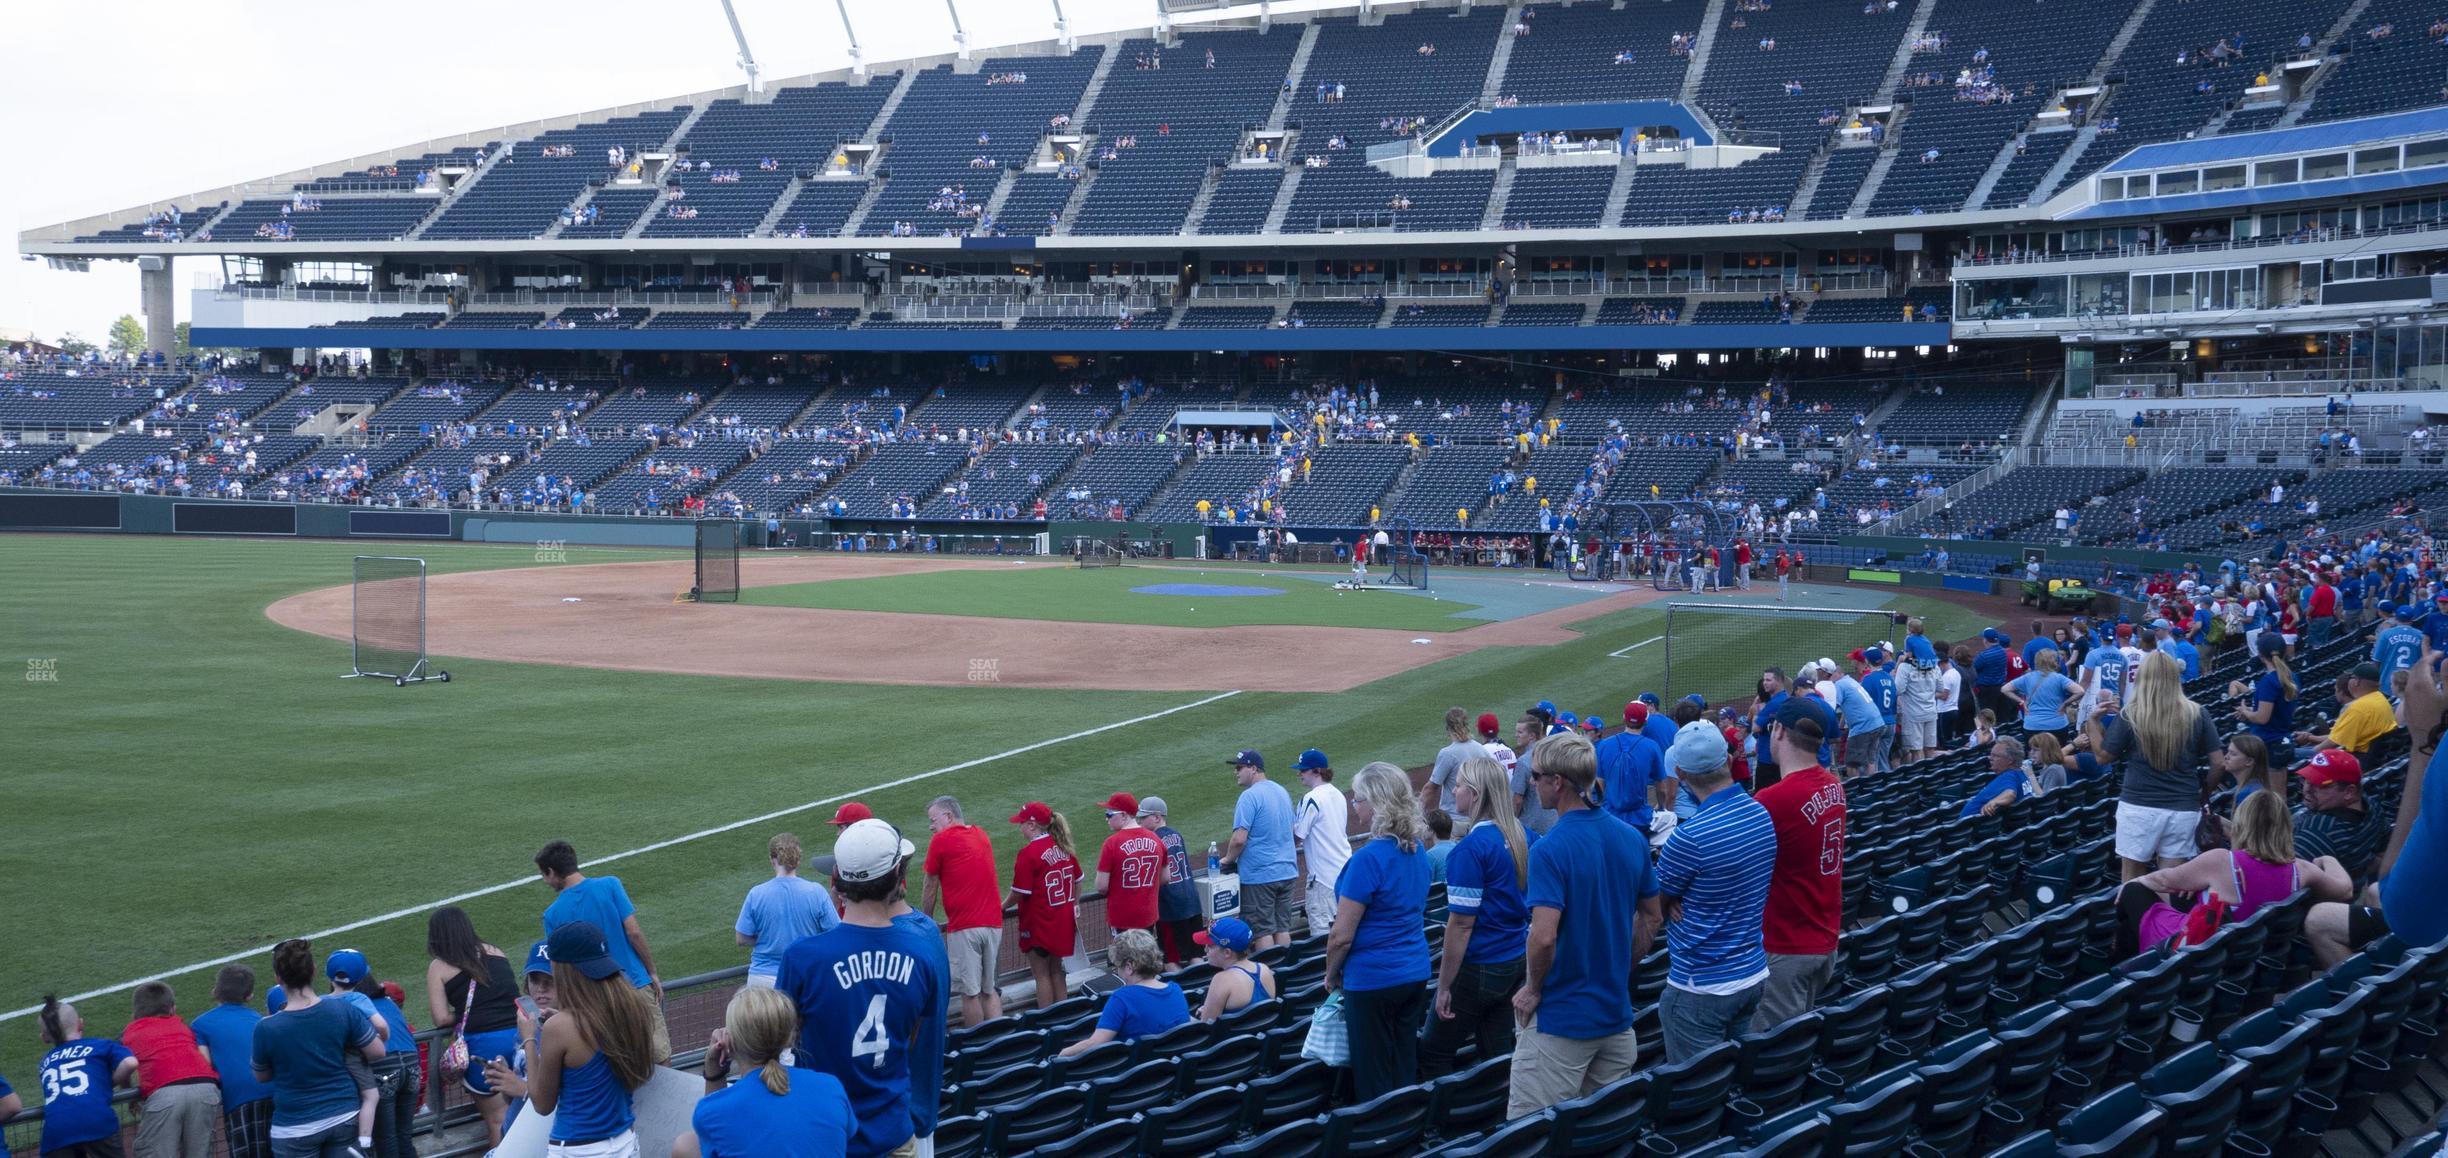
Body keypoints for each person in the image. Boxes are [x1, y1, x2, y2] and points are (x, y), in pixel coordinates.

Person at [1508, 733, 1663, 1120]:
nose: (1532, 782)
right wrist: (1619, 966)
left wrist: (1532, 989)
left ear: (1557, 782)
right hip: (1616, 1020)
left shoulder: (1549, 848)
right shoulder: (1631, 838)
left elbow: (1543, 937)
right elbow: (1653, 916)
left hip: (1562, 1027)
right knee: (1599, 1133)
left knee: (1529, 1139)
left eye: (1537, 775)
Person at [779, 820, 949, 1158]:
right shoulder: (922, 953)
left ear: (837, 880)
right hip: (895, 1134)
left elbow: (778, 1044)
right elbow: (912, 1037)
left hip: (828, 1135)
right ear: (898, 877)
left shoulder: (802, 958)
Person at [483, 921, 659, 1158]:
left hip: (579, 1150)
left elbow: (542, 1104)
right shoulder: (631, 1009)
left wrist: (529, 1039)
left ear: (563, 970)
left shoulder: (560, 1027)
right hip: (626, 1143)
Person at [1655, 722, 1776, 1062]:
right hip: (1753, 975)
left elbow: (1655, 904)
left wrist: (1675, 898)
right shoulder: (1760, 814)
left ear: (1680, 772)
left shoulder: (1688, 838)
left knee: (1696, 1097)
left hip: (1701, 988)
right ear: (1727, 758)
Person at [2116, 789, 2353, 956]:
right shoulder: (2300, 869)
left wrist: (2130, 883)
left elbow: (2162, 879)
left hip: (2197, 947)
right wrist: (2328, 860)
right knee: (2182, 895)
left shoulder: (2221, 860)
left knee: (2134, 890)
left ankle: (2124, 968)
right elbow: (2345, 890)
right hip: (2240, 949)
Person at [1325, 762, 1434, 1101]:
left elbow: (1341, 935)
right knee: (1402, 1065)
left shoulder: (1368, 859)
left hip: (1373, 979)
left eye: (1358, 799)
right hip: (1414, 972)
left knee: (1373, 1078)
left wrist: (1331, 973)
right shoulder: (1417, 851)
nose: (1354, 805)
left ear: (1375, 804)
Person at [1423, 756, 1534, 1077]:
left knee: (1433, 1051)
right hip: (1515, 959)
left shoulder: (1469, 850)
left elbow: (1460, 925)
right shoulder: (1521, 834)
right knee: (1497, 1049)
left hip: (1481, 964)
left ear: (1474, 793)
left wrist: (1444, 986)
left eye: (1457, 786)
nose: (1453, 791)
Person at [1750, 697, 1846, 1031]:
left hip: (1787, 945)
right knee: (1798, 1035)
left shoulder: (1773, 799)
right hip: (1824, 935)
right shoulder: (1834, 785)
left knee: (1773, 1050)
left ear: (1777, 730)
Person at [672, 988, 853, 1158]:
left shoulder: (713, 1110)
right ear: (789, 1038)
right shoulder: (831, 1086)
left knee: (685, 1144)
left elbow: (710, 1139)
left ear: (731, 1042)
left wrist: (714, 1073)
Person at [535, 840, 668, 1061]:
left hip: (594, 1000)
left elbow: (559, 965)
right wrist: (651, 972)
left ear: (552, 872)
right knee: (658, 1055)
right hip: (635, 983)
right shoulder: (610, 885)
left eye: (544, 874)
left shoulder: (552, 914)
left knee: (621, 1064)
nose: (545, 880)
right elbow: (633, 932)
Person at [252, 939, 383, 1158]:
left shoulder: (265, 1028)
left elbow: (262, 1075)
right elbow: (377, 1051)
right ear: (313, 971)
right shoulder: (342, 1009)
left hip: (294, 1128)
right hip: (343, 1115)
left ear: (278, 978)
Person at [2106, 652, 2221, 879]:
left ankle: (2136, 916)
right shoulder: (2197, 712)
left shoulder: (2131, 713)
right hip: (2182, 807)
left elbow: (2104, 756)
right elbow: (2218, 763)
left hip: (2138, 806)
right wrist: (2203, 792)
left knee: (2132, 881)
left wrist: (2091, 722)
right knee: (2170, 882)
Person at [424, 906, 521, 1148]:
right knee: (523, 1112)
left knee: (498, 1119)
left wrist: (463, 1014)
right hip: (518, 1038)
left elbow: (440, 1019)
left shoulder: (439, 966)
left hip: (483, 1047)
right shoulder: (498, 952)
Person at [921, 798, 1005, 1027]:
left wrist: (924, 921)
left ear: (948, 816)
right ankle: (1002, 1043)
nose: (931, 826)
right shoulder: (980, 834)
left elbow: (930, 884)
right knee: (989, 990)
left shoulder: (942, 840)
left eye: (933, 820)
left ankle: (977, 1048)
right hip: (993, 924)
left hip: (966, 927)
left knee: (970, 993)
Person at [323, 953, 417, 1158]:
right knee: (404, 1136)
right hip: (413, 1064)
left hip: (382, 1067)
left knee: (386, 1139)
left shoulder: (342, 1005)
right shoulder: (387, 1002)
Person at [124, 982, 222, 1157]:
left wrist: (127, 1092)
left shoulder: (132, 1031)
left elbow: (124, 1063)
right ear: (172, 1009)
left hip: (165, 1094)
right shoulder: (182, 1027)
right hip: (206, 1089)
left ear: (135, 1013)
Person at [1058, 930, 1191, 1056]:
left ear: (1129, 966)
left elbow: (1096, 1043)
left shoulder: (1122, 998)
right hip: (1169, 1073)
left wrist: (1063, 1054)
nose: (1118, 972)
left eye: (1118, 966)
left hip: (1138, 1073)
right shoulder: (1176, 990)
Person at [36, 995, 137, 1158]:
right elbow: (130, 1063)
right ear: (81, 1024)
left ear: (44, 1038)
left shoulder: (45, 1062)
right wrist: (108, 1083)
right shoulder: (100, 1045)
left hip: (56, 1131)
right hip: (96, 1121)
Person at [190, 965, 275, 1158]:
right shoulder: (259, 1020)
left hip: (237, 1099)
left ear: (215, 991)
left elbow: (204, 1064)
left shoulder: (200, 1024)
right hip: (272, 1092)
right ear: (249, 995)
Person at [738, 834, 839, 990]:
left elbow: (742, 938)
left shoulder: (756, 894)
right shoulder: (816, 892)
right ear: (798, 860)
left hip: (762, 980)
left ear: (772, 859)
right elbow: (834, 933)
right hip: (804, 976)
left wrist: (768, 939)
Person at [1007, 802, 1082, 1009]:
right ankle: (1064, 1017)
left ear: (1032, 825)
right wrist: (1074, 904)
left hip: (1039, 923)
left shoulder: (1029, 853)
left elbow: (1019, 892)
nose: (1019, 827)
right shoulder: (1063, 845)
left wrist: (1002, 906)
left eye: (1021, 823)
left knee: (1041, 976)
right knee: (1057, 971)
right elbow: (1079, 879)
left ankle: (1047, 1022)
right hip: (1062, 921)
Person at [1224, 749, 1300, 951]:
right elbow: (1293, 831)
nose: (1236, 772)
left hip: (1260, 876)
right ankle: (1284, 974)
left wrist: (1227, 860)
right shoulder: (1282, 791)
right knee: (1282, 928)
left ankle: (1268, 978)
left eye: (1240, 767)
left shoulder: (1249, 797)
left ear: (1253, 768)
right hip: (1287, 872)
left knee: (1262, 931)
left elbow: (1239, 839)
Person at [2293, 750, 2390, 877]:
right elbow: (2384, 848)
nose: (2306, 789)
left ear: (2349, 792)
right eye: (2306, 780)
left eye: (2320, 785)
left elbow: (2285, 881)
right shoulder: (2371, 805)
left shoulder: (2316, 831)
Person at [1292, 748, 1353, 937]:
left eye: (1303, 770)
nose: (1299, 774)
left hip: (1323, 881)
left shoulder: (1311, 798)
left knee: (1322, 939)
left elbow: (1297, 836)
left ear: (1316, 771)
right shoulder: (1338, 794)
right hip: (1345, 873)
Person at [1137, 797, 1204, 967]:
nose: (1139, 821)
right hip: (1192, 901)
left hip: (1170, 907)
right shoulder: (1176, 834)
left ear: (1157, 817)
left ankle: (1183, 993)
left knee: (1170, 960)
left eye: (1143, 818)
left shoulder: (1152, 841)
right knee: (1196, 954)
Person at [1094, 790, 1167, 938]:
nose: (1106, 819)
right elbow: (1165, 878)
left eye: (1109, 814)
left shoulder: (1111, 843)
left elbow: (1101, 887)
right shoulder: (1156, 839)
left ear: (1123, 815)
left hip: (1122, 918)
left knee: (1124, 958)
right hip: (1148, 915)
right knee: (1145, 956)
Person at [1597, 702, 1667, 835]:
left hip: (1609, 817)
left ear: (1624, 718)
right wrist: (1661, 807)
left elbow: (1599, 785)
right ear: (1645, 722)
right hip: (1640, 819)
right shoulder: (1652, 747)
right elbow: (1662, 788)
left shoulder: (1604, 745)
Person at [2231, 634, 2300, 768]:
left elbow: (2262, 718)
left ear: (2261, 655)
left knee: (2269, 788)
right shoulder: (2292, 677)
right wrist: (2251, 711)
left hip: (2267, 744)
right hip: (2283, 739)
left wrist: (2246, 711)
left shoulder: (2268, 682)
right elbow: (2278, 709)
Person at [2297, 663, 2395, 757]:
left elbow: (2331, 744)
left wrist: (2303, 752)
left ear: (2356, 682)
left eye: (2351, 677)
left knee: (2290, 755)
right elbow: (2339, 737)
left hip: (2355, 760)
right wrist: (2310, 737)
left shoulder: (2358, 708)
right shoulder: (2380, 699)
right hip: (2368, 758)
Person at [1193, 918, 1277, 1021]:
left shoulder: (1222, 980)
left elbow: (1205, 1027)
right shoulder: (1265, 969)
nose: (1205, 949)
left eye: (1210, 946)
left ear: (1227, 953)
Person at [1962, 736, 2060, 817]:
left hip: (1963, 833)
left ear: (2010, 760)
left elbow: (2010, 794)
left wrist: (1994, 802)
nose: (1990, 758)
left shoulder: (2009, 776)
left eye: (1995, 756)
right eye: (1991, 755)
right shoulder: (2022, 773)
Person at [2006, 648, 2082, 743]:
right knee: (2058, 755)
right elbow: (2080, 691)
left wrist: (2021, 701)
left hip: (2032, 725)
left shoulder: (2027, 677)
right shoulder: (2059, 678)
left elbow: (2005, 689)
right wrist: (2065, 704)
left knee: (2035, 755)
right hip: (2057, 724)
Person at [1426, 707, 1489, 818]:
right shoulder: (1482, 749)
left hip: (1454, 820)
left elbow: (1431, 788)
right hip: (1477, 818)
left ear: (1448, 728)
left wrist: (1416, 811)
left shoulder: (1447, 753)